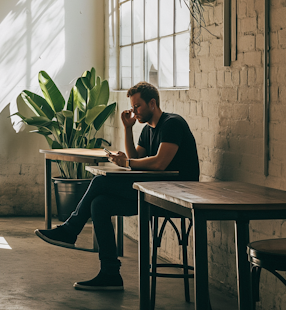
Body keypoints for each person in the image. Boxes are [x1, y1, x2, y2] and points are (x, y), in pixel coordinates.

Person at [34, 81, 199, 291]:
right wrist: (128, 129)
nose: (134, 111)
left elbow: (159, 163)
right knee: (100, 204)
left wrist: (127, 163)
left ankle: (70, 230)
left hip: (175, 195)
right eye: (132, 107)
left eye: (137, 106)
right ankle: (110, 273)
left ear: (152, 103)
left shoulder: (172, 123)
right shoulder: (148, 130)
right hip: (154, 190)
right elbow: (136, 156)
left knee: (100, 182)